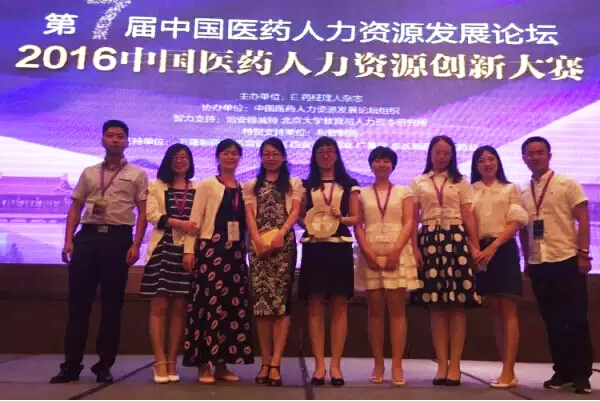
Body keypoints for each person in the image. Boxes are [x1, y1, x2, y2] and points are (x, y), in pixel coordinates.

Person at [51, 120, 148, 384]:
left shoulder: (138, 174)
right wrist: (68, 241)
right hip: (88, 239)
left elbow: (143, 213)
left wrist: (136, 244)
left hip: (118, 240)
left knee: (112, 306)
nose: (115, 140)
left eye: (120, 136)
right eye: (110, 135)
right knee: (78, 305)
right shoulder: (89, 172)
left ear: (127, 142)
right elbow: (75, 208)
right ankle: (71, 365)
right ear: (102, 140)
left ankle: (104, 366)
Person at [518, 136, 593, 394]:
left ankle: (581, 375)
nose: (535, 157)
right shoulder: (523, 191)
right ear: (524, 158)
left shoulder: (566, 183)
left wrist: (583, 253)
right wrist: (526, 258)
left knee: (576, 319)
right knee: (551, 320)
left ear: (549, 156)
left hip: (566, 258)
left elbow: (583, 219)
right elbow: (523, 229)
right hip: (539, 262)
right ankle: (562, 371)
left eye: (540, 152)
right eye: (530, 153)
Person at [410, 135, 482, 386]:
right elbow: (413, 218)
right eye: (438, 152)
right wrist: (414, 248)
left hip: (456, 239)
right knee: (437, 306)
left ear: (452, 156)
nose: (442, 157)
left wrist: (475, 246)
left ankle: (456, 365)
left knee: (457, 305)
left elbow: (468, 215)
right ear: (430, 153)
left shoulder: (460, 181)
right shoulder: (419, 181)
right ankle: (441, 364)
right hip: (429, 239)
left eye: (447, 153)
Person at [181, 139, 255, 384]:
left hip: (235, 256)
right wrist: (189, 251)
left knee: (230, 309)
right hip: (211, 253)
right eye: (226, 153)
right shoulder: (207, 185)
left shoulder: (243, 188)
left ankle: (222, 365)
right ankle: (204, 364)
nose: (230, 157)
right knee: (207, 307)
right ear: (218, 156)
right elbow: (194, 221)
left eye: (235, 154)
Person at [354, 147, 419, 387]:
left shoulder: (404, 191)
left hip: (397, 252)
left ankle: (398, 365)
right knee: (374, 310)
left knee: (397, 310)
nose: (382, 165)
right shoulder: (360, 193)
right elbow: (358, 225)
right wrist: (367, 253)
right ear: (371, 164)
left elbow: (409, 222)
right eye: (378, 161)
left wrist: (396, 251)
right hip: (370, 252)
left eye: (386, 161)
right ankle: (378, 363)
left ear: (393, 165)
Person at [298, 137, 359, 387]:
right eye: (321, 151)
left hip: (339, 247)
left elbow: (356, 218)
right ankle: (319, 366)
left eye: (330, 151)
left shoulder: (349, 184)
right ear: (314, 156)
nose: (325, 155)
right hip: (314, 248)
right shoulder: (306, 185)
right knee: (315, 307)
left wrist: (340, 218)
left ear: (337, 155)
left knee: (339, 307)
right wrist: (310, 223)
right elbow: (299, 217)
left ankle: (335, 366)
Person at [243, 137, 304, 387]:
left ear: (283, 157)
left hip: (283, 247)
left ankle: (276, 362)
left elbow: (295, 211)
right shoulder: (250, 185)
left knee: (281, 305)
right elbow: (249, 215)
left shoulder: (293, 183)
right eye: (266, 154)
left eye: (275, 153)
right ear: (261, 157)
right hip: (258, 248)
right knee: (261, 306)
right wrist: (257, 241)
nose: (271, 158)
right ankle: (265, 361)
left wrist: (281, 234)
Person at [470, 145, 528, 388]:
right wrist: (475, 249)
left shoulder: (510, 188)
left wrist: (494, 247)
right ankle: (506, 367)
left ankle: (509, 369)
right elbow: (466, 223)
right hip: (479, 251)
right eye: (482, 160)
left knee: (508, 309)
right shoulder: (470, 189)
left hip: (503, 249)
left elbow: (517, 222)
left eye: (491, 159)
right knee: (494, 310)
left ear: (498, 162)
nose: (487, 164)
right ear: (476, 165)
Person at [140, 143, 198, 383]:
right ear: (168, 161)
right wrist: (179, 223)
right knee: (159, 307)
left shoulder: (197, 188)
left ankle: (173, 360)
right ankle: (160, 360)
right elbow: (152, 215)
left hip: (187, 251)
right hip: (162, 250)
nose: (180, 161)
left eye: (184, 157)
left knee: (179, 309)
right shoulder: (156, 186)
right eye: (176, 157)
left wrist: (189, 239)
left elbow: (199, 221)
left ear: (190, 162)